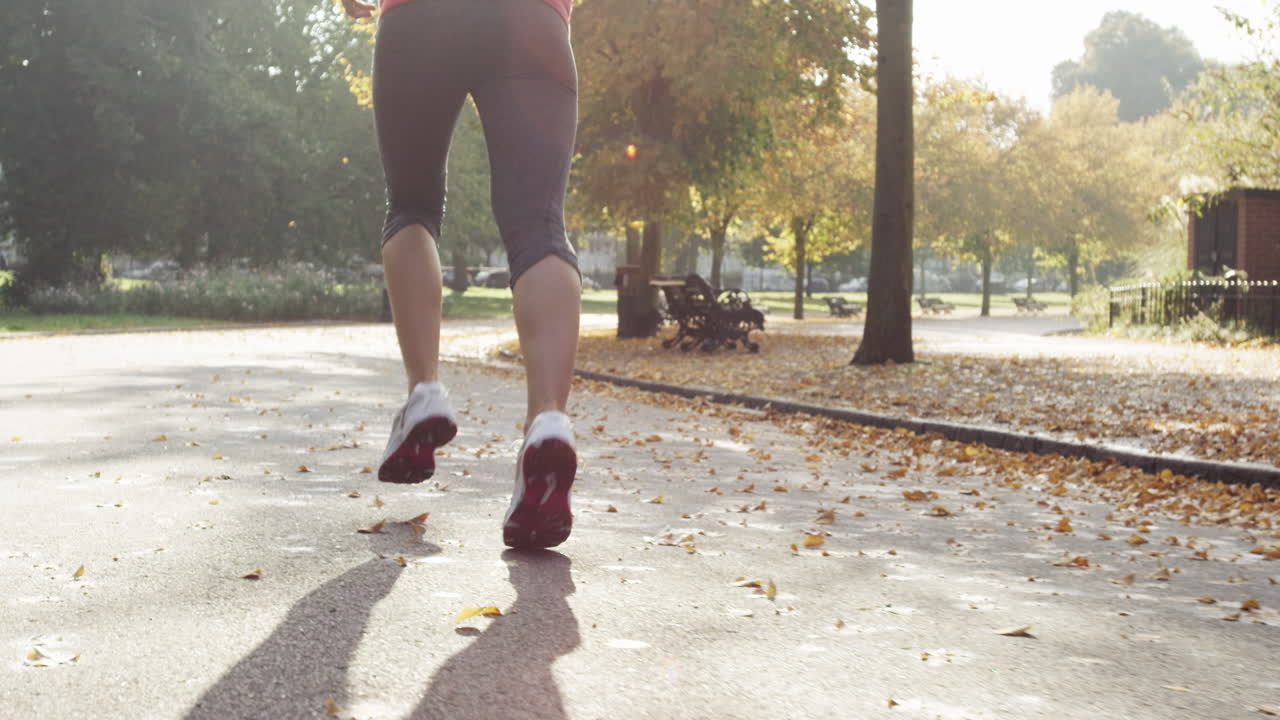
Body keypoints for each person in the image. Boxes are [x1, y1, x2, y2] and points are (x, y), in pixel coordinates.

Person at [340, 0, 581, 549]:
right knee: (539, 223)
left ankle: (424, 392)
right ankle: (547, 423)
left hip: (419, 19)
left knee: (411, 205)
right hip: (534, 21)